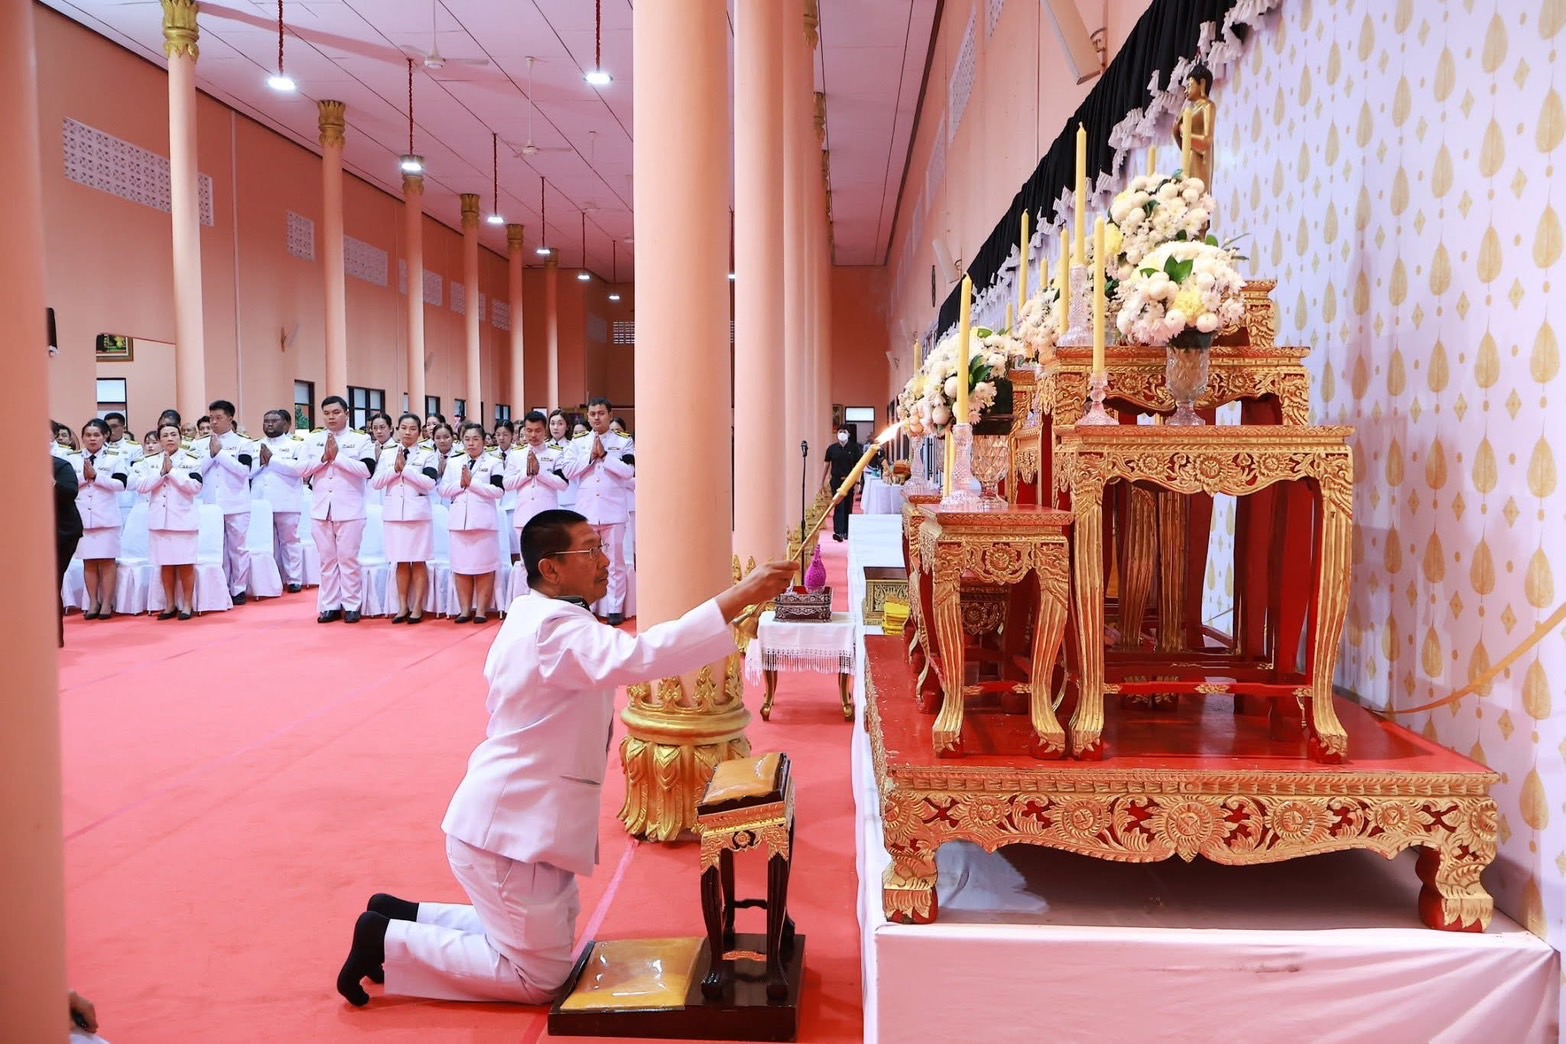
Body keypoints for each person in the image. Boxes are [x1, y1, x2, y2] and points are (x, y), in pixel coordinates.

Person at [334, 511, 796, 1007]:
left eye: (601, 547)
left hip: (522, 822)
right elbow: (641, 657)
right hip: (510, 832)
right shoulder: (554, 629)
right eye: (590, 551)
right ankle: (386, 940)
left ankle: (403, 916)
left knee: (539, 943)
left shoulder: (540, 616)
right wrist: (739, 596)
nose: (605, 561)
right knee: (539, 979)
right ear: (550, 569)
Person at [300, 395, 376, 623]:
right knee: (327, 560)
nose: (331, 417)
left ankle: (352, 605)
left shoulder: (360, 439)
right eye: (327, 413)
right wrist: (324, 458)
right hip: (321, 508)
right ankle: (330, 605)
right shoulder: (313, 440)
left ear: (347, 414)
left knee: (348, 559)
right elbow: (300, 469)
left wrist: (338, 457)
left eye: (336, 412)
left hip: (350, 509)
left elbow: (367, 470)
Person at [563, 398, 635, 625]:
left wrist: (605, 456)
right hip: (587, 511)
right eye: (592, 413)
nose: (596, 417)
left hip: (614, 510)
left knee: (615, 563)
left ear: (610, 415)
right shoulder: (578, 442)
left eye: (601, 413)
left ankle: (614, 608)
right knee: (585, 561)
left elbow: (628, 471)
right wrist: (590, 457)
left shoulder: (623, 441)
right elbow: (567, 470)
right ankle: (587, 605)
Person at [132, 421, 203, 620]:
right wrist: (161, 472)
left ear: (180, 438)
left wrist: (172, 472)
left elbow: (195, 486)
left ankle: (187, 605)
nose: (170, 438)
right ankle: (169, 604)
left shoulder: (191, 460)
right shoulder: (149, 462)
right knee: (165, 564)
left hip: (183, 520)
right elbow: (141, 486)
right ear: (159, 440)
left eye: (173, 434)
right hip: (159, 521)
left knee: (186, 564)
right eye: (165, 435)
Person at [372, 413, 438, 624]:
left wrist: (406, 469)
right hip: (394, 514)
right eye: (404, 428)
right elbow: (376, 482)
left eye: (412, 428)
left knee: (418, 560)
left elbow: (429, 483)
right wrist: (394, 469)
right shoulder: (388, 453)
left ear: (420, 432)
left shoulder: (427, 454)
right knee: (400, 561)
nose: (407, 432)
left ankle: (417, 606)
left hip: (417, 514)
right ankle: (402, 606)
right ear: (397, 429)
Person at [441, 422, 505, 624]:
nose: (471, 443)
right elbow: (443, 490)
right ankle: (465, 610)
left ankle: (482, 611)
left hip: (483, 522)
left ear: (484, 441)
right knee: (461, 567)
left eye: (475, 439)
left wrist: (473, 483)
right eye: (467, 439)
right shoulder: (454, 462)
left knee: (484, 567)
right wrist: (461, 483)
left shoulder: (494, 462)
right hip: (459, 521)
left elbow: (498, 491)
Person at [195, 399, 255, 604]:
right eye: (211, 418)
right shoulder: (199, 444)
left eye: (218, 418)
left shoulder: (244, 443)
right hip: (210, 503)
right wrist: (212, 454)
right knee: (216, 548)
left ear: (230, 419)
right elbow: (196, 470)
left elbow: (244, 471)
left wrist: (219, 454)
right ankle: (220, 588)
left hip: (236, 502)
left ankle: (239, 588)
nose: (213, 422)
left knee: (238, 548)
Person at [503, 411, 567, 596]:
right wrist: (526, 472)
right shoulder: (516, 455)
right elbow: (507, 484)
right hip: (523, 516)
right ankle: (527, 601)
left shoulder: (555, 453)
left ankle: (547, 599)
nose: (533, 435)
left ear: (544, 430)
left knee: (549, 562)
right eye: (529, 430)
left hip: (547, 518)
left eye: (537, 430)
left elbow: (563, 484)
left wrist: (540, 473)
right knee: (526, 564)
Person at [72, 419, 129, 620]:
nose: (92, 439)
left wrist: (96, 477)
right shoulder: (73, 458)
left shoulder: (115, 457)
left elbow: (121, 484)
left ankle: (106, 602)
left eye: (96, 435)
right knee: (88, 561)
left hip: (106, 517)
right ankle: (93, 602)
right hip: (82, 517)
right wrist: (85, 477)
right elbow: (67, 484)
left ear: (105, 436)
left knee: (107, 561)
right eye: (88, 435)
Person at [254, 409, 307, 593]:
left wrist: (273, 460)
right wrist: (259, 463)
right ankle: (270, 580)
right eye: (266, 421)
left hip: (287, 499)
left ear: (284, 424)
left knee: (290, 541)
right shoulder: (254, 445)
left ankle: (294, 579)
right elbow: (246, 472)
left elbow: (299, 469)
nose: (269, 424)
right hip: (260, 500)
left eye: (274, 421)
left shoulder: (296, 445)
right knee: (264, 542)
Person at [52, 438, 83, 646]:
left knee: (50, 582)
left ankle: (54, 637)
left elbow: (69, 493)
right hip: (29, 533)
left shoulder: (60, 466)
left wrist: (48, 480)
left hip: (62, 532)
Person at [1173, 62, 1217, 191]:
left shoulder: (1207, 106)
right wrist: (1176, 130)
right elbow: (1183, 147)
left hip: (1201, 162)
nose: (1186, 91)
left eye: (1189, 85)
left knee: (1198, 194)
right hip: (1189, 159)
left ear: (1202, 84)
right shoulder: (1190, 111)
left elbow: (1207, 141)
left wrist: (1184, 132)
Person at [821, 423, 861, 542]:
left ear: (848, 434)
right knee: (838, 506)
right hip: (836, 480)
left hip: (849, 480)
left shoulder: (854, 448)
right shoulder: (831, 449)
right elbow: (826, 465)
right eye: (840, 431)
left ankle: (846, 531)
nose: (842, 434)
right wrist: (822, 482)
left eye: (844, 431)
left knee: (848, 506)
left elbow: (858, 467)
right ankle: (838, 531)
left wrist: (858, 483)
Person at [546, 410, 576, 510]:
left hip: (569, 497)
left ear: (567, 426)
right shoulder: (543, 447)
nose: (555, 427)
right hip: (548, 496)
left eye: (560, 424)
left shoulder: (573, 446)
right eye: (552, 423)